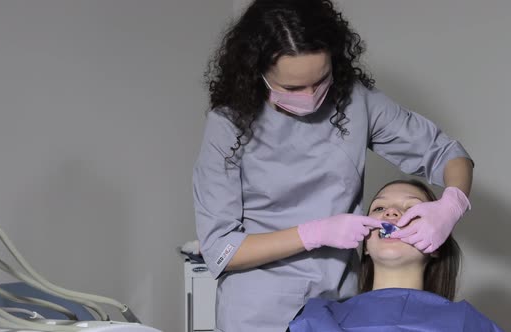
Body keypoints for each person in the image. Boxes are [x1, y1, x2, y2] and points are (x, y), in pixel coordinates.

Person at [192, 0, 474, 330]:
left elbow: (448, 154)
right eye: (293, 88)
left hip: (340, 305)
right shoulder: (229, 126)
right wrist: (314, 233)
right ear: (257, 72)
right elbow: (221, 249)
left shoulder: (356, 102)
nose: (311, 95)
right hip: (259, 312)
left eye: (321, 80)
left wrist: (453, 203)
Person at [288, 180, 504, 331]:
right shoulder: (315, 319)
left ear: (436, 243)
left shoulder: (470, 325)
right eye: (379, 207)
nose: (390, 213)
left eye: (411, 210)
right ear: (365, 245)